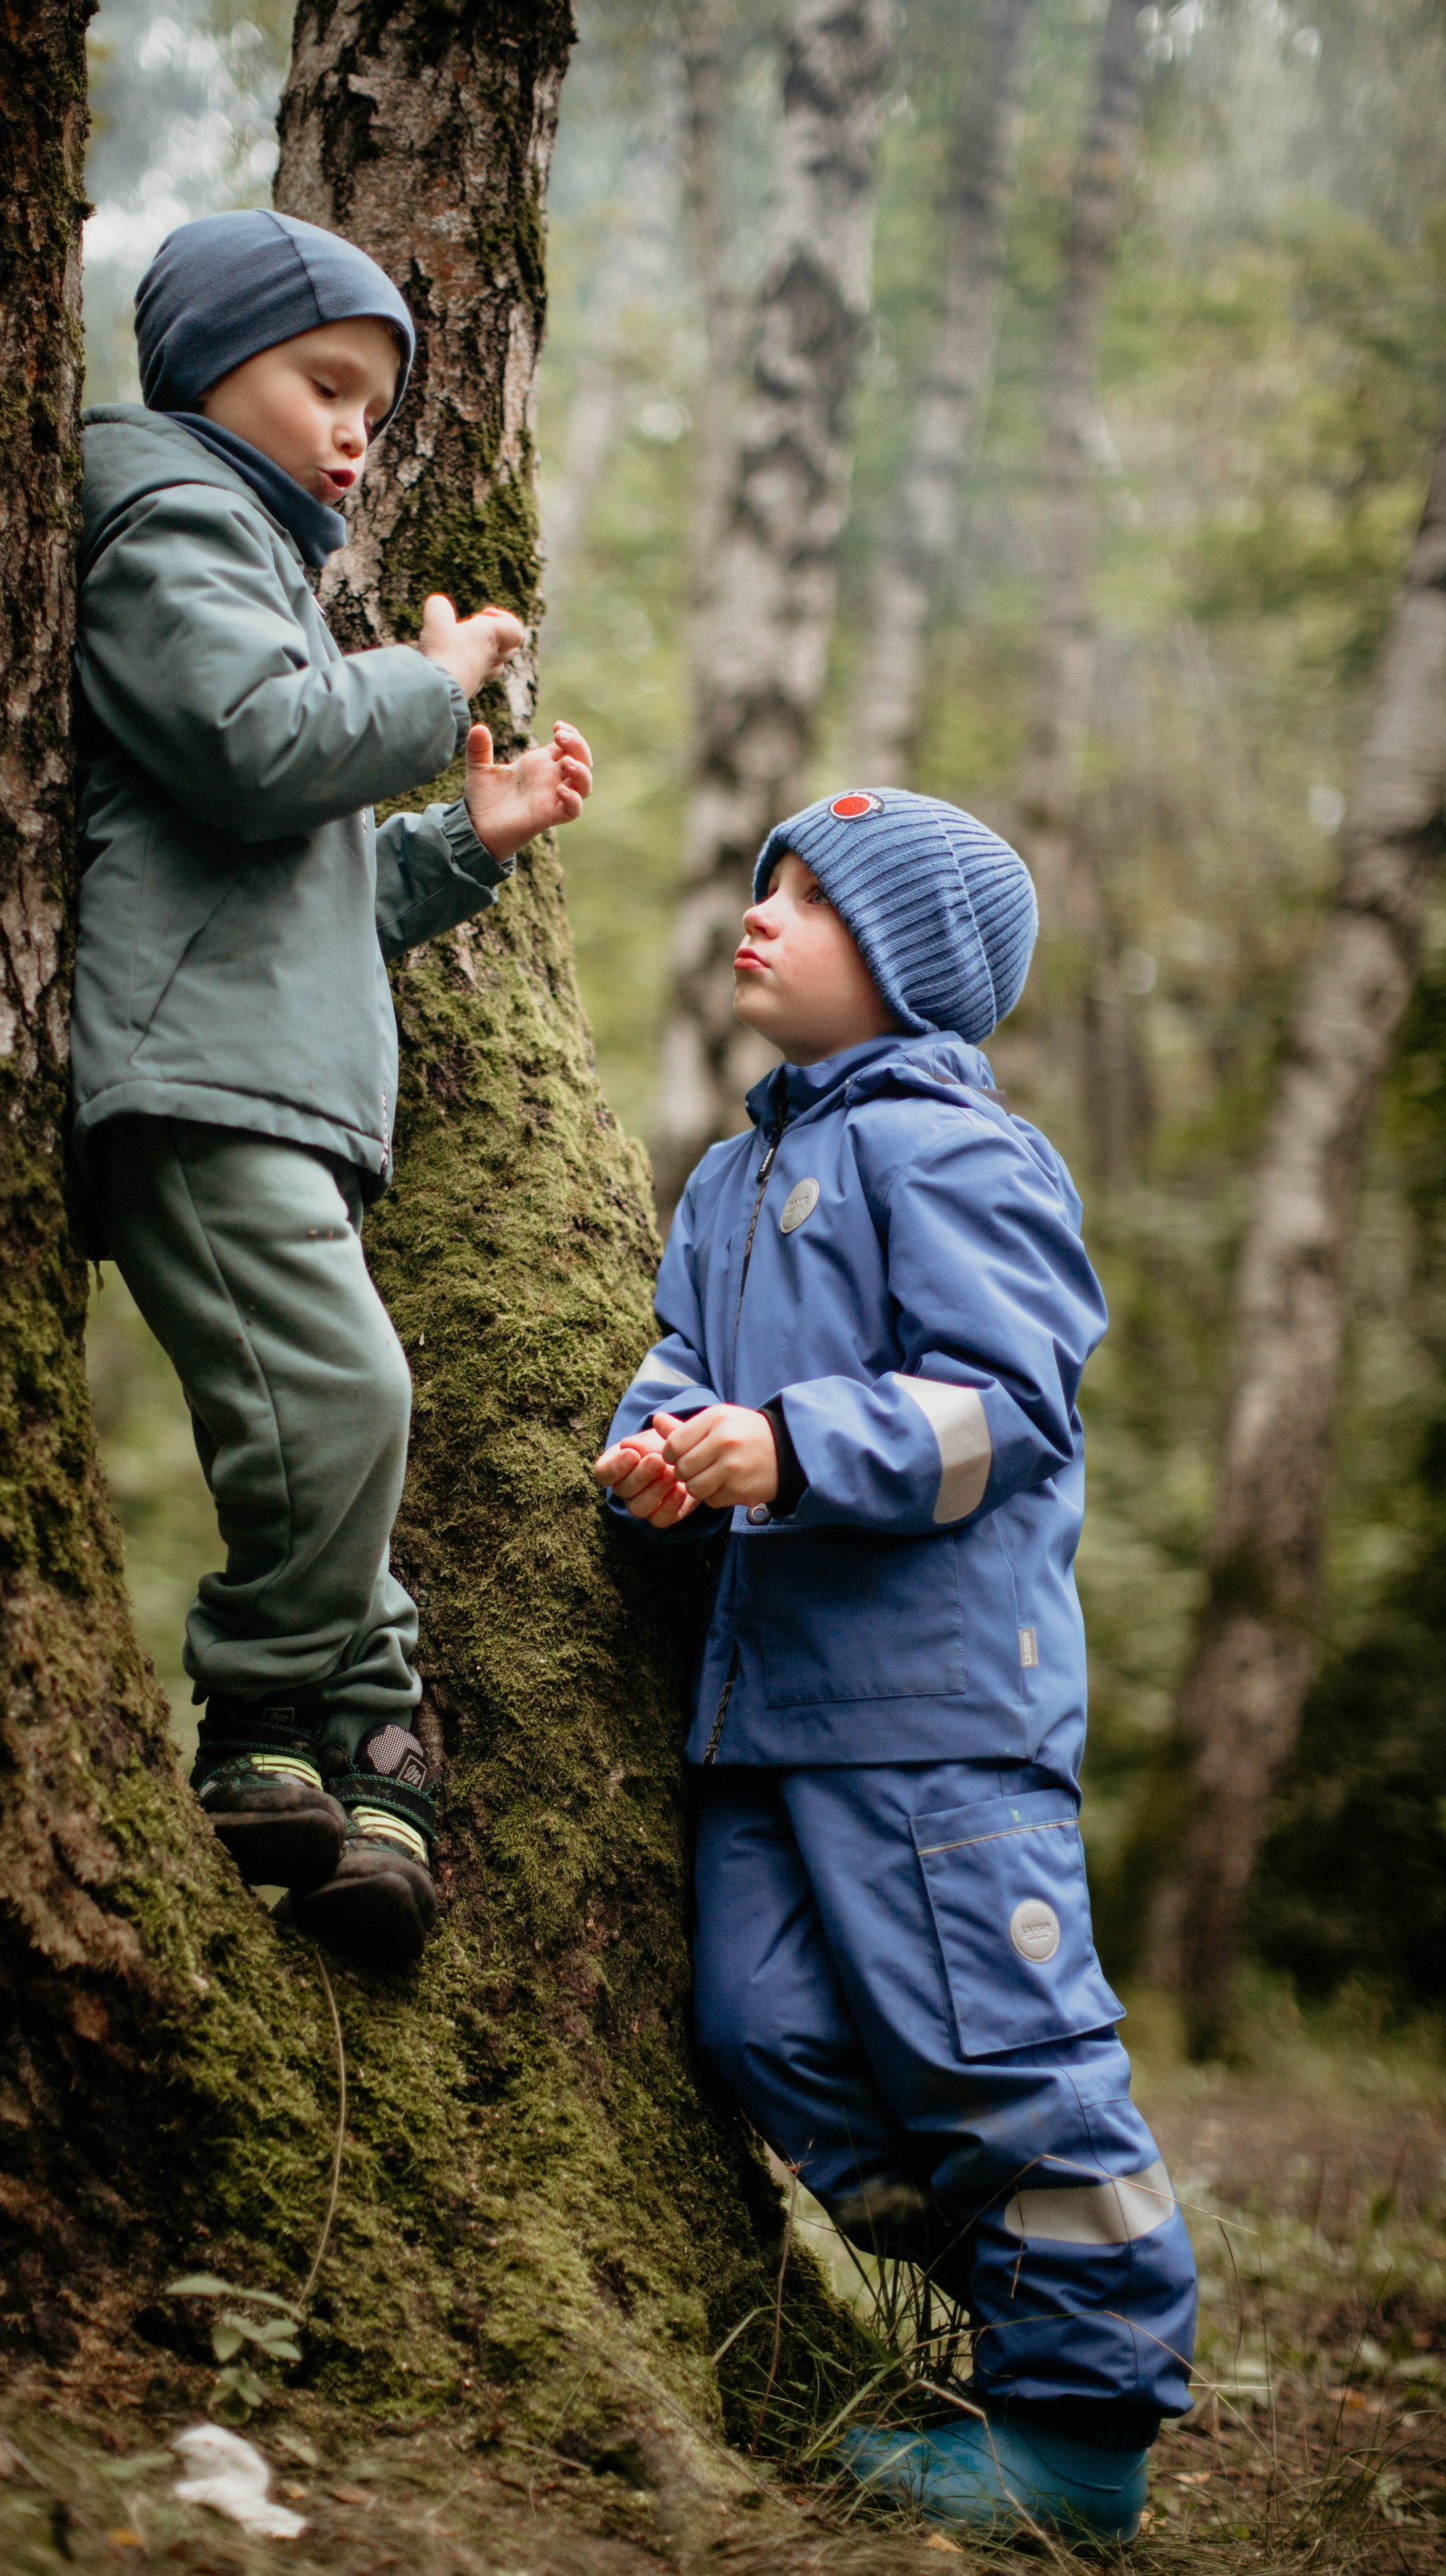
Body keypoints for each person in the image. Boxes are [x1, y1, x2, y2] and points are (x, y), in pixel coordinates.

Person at [593, 790, 1196, 2542]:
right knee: (756, 2019)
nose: (760, 918)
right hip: (760, 1713)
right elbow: (681, 1362)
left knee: (992, 2043)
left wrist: (793, 1446)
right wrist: (661, 1455)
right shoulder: (731, 1174)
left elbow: (1007, 1406)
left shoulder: (958, 1150)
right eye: (760, 885)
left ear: (915, 965)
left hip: (936, 1714)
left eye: (814, 899)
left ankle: (1081, 2427)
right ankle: (1032, 2276)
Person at [72, 209, 592, 1967]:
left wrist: (465, 841)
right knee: (344, 1406)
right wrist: (425, 681)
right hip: (190, 1083)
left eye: (380, 398)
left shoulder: (242, 551)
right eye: (326, 383)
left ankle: (357, 1764)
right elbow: (256, 745)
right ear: (213, 365)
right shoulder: (166, 522)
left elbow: (297, 885)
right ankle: (260, 1716)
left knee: (331, 1439)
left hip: (250, 1065)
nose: (360, 429)